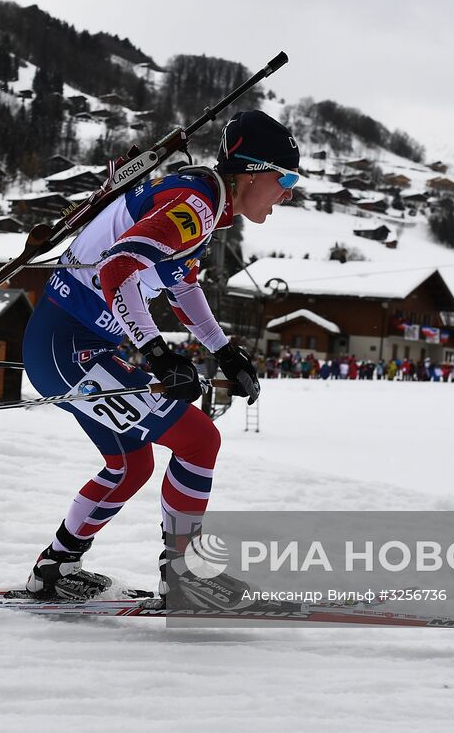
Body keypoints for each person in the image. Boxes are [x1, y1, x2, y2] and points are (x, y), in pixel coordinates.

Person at [20, 110, 294, 610]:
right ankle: (184, 579)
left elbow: (180, 284)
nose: (289, 194)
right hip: (70, 350)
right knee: (199, 440)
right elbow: (119, 269)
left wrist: (224, 351)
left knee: (130, 466)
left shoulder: (199, 199)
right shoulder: (196, 202)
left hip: (66, 347)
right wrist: (157, 353)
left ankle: (54, 569)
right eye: (286, 179)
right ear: (254, 172)